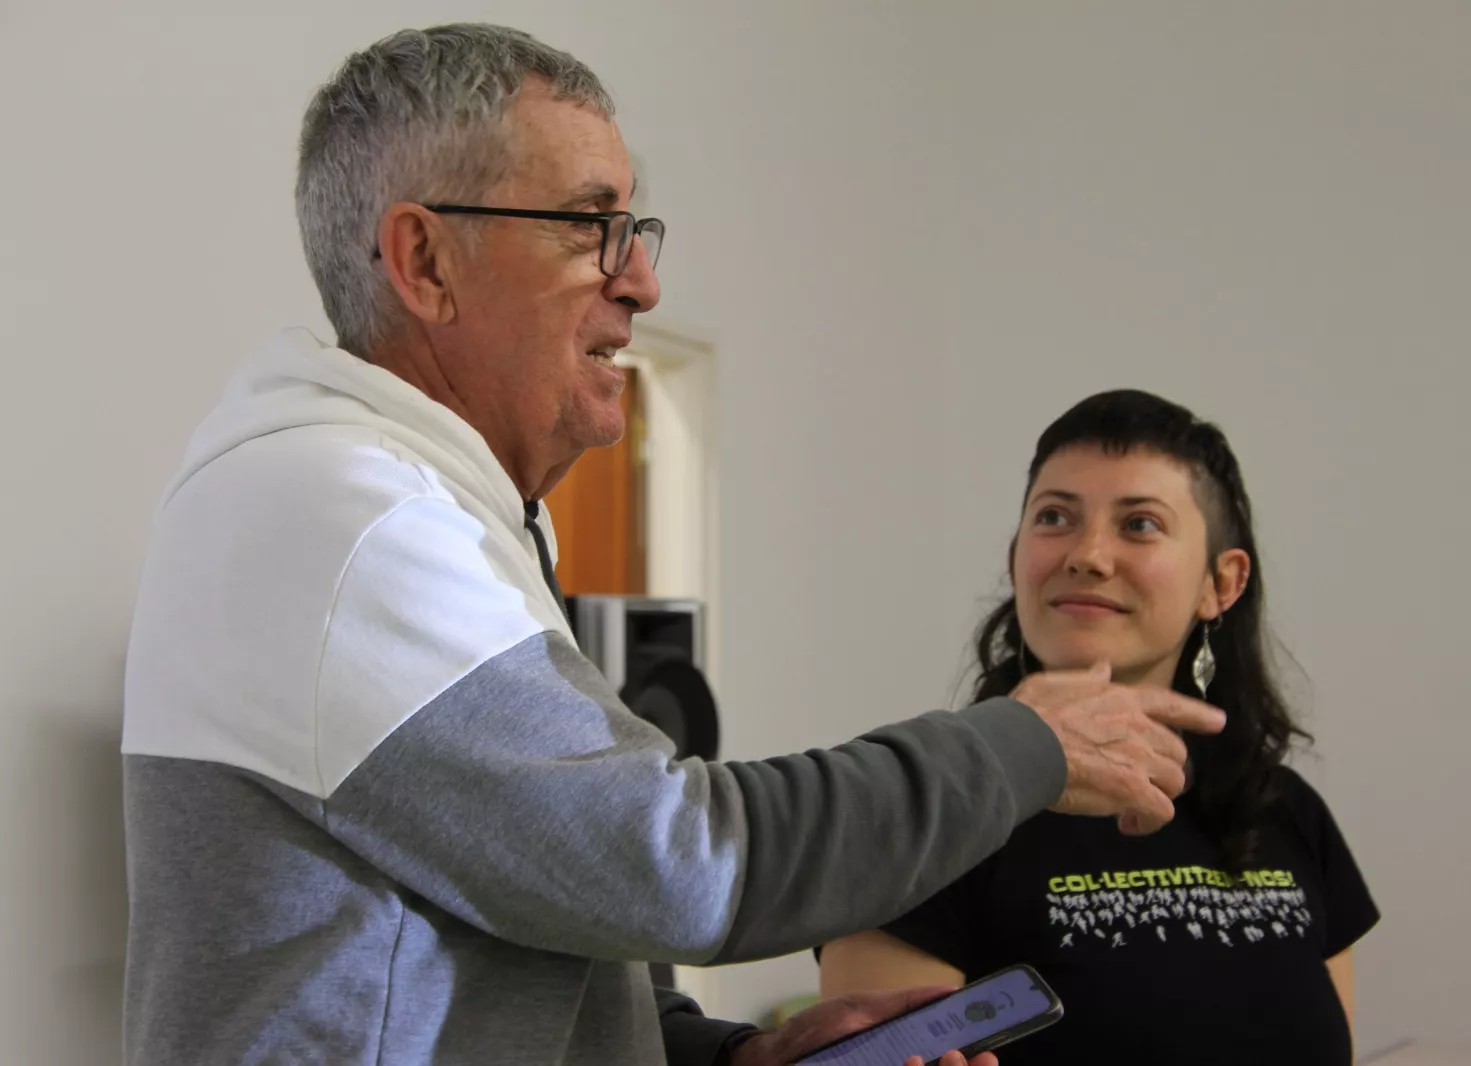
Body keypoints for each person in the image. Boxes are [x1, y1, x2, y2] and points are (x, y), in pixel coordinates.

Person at [119, 26, 1227, 1066]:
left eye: (633, 230)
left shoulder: (419, 507)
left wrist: (718, 1052)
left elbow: (527, 903)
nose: (640, 280)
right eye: (586, 223)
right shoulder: (352, 517)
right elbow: (673, 863)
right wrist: (1017, 747)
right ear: (424, 260)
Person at [819, 390, 1380, 1066]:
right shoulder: (923, 811)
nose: (1088, 554)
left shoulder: (1288, 812)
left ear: (1220, 584)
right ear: (1015, 555)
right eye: (1054, 516)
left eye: (1140, 524)